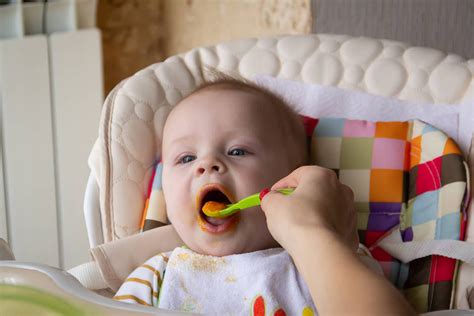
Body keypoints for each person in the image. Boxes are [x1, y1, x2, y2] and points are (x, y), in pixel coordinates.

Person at [113, 78, 415, 315]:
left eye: (237, 151)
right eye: (186, 158)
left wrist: (318, 236)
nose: (207, 164)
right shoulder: (157, 277)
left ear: (292, 184)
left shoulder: (328, 256)